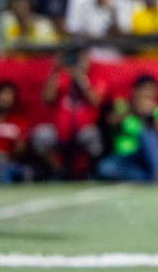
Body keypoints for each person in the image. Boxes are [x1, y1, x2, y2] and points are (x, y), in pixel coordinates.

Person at [30, 49, 107, 179]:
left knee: (93, 136)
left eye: (83, 58)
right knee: (41, 136)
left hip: (83, 130)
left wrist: (80, 78)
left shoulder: (96, 77)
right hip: (59, 131)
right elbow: (46, 98)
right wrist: (56, 69)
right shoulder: (62, 76)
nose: (80, 62)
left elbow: (95, 101)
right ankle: (58, 171)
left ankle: (89, 174)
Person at [98, 74, 158, 182]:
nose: (148, 97)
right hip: (125, 158)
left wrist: (153, 121)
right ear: (135, 91)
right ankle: (148, 179)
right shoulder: (121, 106)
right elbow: (109, 121)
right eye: (145, 93)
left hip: (149, 159)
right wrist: (133, 110)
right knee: (106, 168)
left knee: (149, 134)